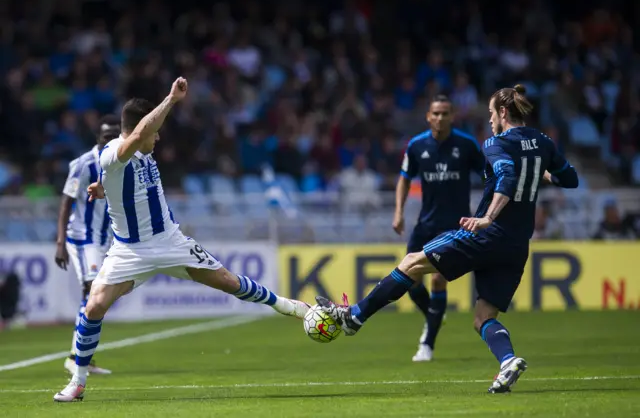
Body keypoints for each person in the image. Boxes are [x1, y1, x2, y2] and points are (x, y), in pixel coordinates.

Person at [54, 78, 310, 402]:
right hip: (129, 251)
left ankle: (295, 308)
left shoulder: (136, 156)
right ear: (141, 130)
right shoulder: (112, 154)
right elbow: (133, 140)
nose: (158, 137)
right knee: (93, 306)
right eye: (154, 131)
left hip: (170, 242)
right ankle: (77, 381)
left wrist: (103, 191)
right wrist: (171, 100)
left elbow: (127, 185)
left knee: (231, 283)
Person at [316, 85, 579, 393]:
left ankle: (354, 318)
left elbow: (507, 176)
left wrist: (488, 217)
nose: (491, 118)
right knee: (483, 318)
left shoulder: (495, 143)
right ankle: (508, 361)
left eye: (493, 113)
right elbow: (569, 179)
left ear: (503, 113)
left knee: (412, 261)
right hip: (517, 245)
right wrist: (538, 172)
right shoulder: (543, 142)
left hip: (488, 235)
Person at [394, 95, 484, 362]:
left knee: (437, 279)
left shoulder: (466, 145)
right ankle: (434, 315)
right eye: (436, 113)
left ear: (452, 116)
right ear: (428, 116)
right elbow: (404, 179)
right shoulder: (416, 145)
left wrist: (485, 214)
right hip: (425, 224)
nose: (441, 118)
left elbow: (488, 177)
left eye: (445, 113)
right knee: (409, 281)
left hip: (454, 227)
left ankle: (427, 344)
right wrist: (398, 211)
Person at [54, 115, 121, 376]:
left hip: (106, 239)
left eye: (116, 135)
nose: (111, 140)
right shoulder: (84, 165)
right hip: (83, 238)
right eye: (106, 136)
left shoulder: (121, 162)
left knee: (96, 296)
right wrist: (60, 242)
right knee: (92, 291)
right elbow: (65, 202)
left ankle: (83, 358)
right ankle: (76, 358)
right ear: (98, 138)